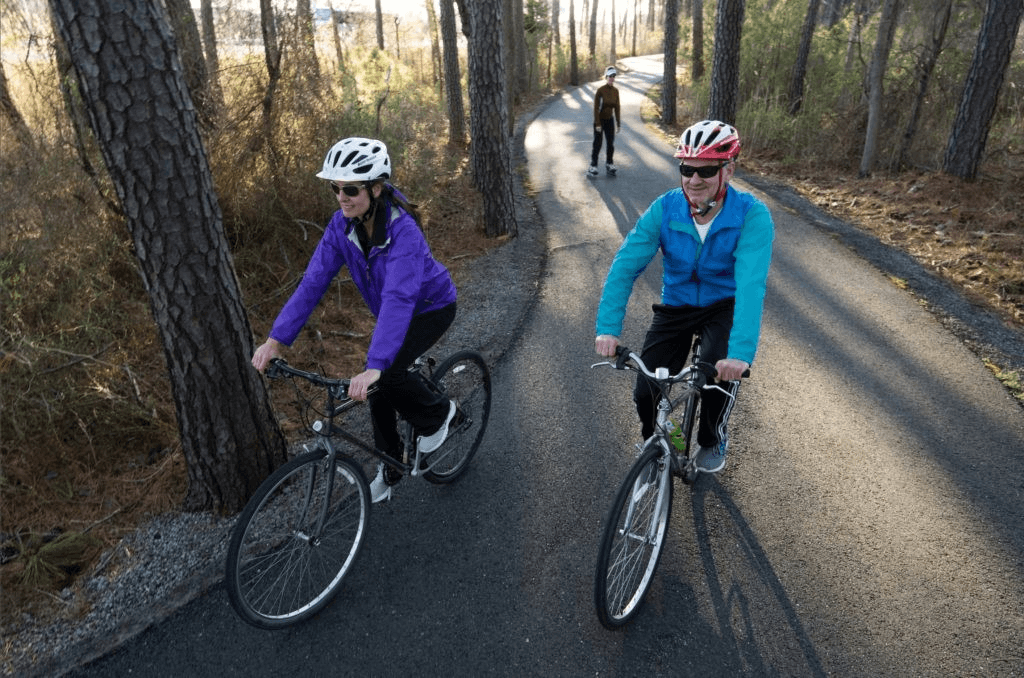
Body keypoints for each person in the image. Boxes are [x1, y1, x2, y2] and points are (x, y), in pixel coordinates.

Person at [252, 137, 458, 502]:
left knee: (388, 374)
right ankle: (391, 466)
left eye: (350, 189)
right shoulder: (341, 227)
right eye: (335, 188)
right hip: (395, 315)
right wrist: (276, 340)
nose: (341, 197)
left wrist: (377, 364)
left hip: (430, 307)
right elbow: (313, 282)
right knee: (380, 385)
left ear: (376, 189)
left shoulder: (403, 231)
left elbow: (399, 298)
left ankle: (441, 413)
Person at [594, 120, 774, 473]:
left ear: (728, 170)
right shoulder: (666, 208)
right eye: (686, 168)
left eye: (706, 170)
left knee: (716, 381)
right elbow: (624, 267)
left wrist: (738, 355)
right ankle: (661, 438)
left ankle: (712, 437)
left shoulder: (752, 215)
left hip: (724, 305)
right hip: (676, 304)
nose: (694, 179)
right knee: (647, 390)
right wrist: (608, 328)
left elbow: (751, 285)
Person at [588, 66, 621, 177]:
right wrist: (597, 123)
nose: (612, 78)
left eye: (613, 76)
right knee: (597, 144)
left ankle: (609, 164)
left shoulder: (616, 91)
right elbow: (596, 108)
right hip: (600, 120)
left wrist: (618, 123)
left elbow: (617, 107)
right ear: (606, 77)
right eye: (610, 76)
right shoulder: (600, 91)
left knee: (610, 144)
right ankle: (593, 166)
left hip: (609, 120)